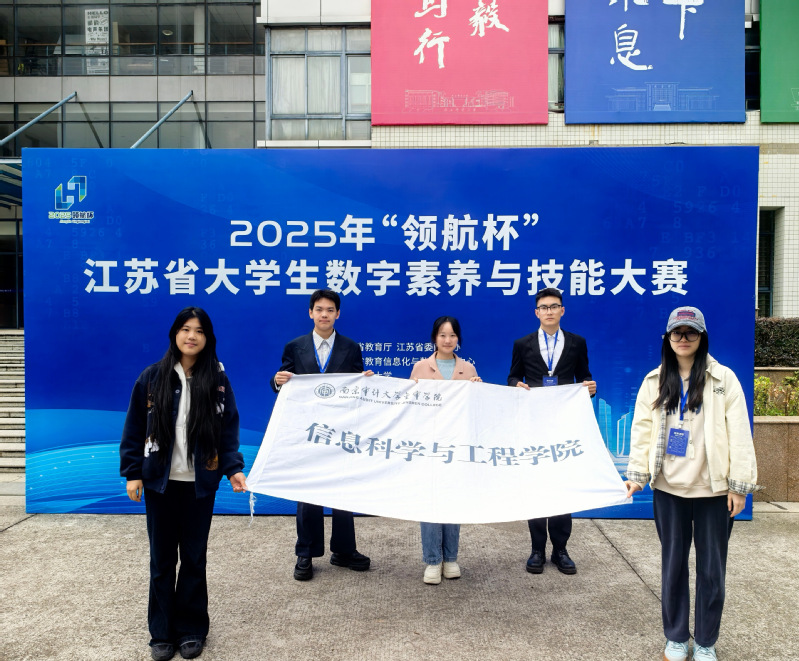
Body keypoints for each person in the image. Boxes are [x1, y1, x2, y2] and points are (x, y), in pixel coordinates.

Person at [624, 306, 760, 661]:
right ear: (667, 338)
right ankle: (676, 637)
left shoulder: (723, 379)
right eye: (677, 333)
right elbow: (641, 431)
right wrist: (637, 475)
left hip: (714, 491)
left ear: (702, 337)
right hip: (669, 489)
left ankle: (705, 642)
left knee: (712, 570)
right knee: (673, 566)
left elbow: (740, 433)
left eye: (691, 332)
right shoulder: (654, 381)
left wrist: (739, 486)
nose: (683, 339)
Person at [120, 307, 246, 661]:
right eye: (186, 329)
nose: (192, 336)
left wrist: (233, 468)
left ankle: (191, 629)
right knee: (162, 560)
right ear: (175, 333)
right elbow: (134, 428)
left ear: (208, 338)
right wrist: (133, 472)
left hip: (199, 485)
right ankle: (161, 632)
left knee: (193, 558)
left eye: (200, 331)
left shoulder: (217, 380)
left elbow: (227, 429)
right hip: (160, 483)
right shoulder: (152, 377)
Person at [271, 289, 373, 581]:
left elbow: (356, 388)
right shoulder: (295, 346)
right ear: (310, 313)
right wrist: (276, 381)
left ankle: (344, 550)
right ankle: (306, 552)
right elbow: (284, 383)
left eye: (330, 310)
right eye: (319, 309)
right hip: (308, 432)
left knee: (343, 490)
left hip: (340, 432)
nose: (324, 314)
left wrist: (366, 382)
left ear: (338, 314)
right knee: (307, 491)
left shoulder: (351, 347)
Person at [507, 287, 596, 575]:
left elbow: (584, 375)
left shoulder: (577, 342)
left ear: (562, 310)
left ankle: (560, 550)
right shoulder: (522, 343)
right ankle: (537, 550)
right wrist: (516, 385)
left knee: (561, 486)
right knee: (535, 485)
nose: (549, 311)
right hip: (533, 424)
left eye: (554, 306)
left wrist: (590, 387)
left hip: (564, 425)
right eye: (544, 307)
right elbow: (512, 376)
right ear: (537, 312)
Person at [409, 316, 482, 585]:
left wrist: (478, 390)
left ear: (458, 339)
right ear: (434, 338)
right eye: (442, 335)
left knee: (453, 500)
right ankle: (432, 560)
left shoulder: (468, 369)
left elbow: (476, 410)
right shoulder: (420, 367)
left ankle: (450, 558)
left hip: (457, 446)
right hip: (428, 446)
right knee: (430, 501)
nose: (447, 340)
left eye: (452, 335)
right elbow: (409, 408)